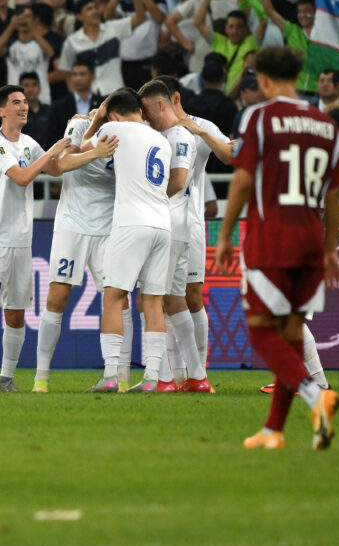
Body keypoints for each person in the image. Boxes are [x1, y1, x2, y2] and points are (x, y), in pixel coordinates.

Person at [216, 45, 339, 451]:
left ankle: (316, 396)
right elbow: (334, 193)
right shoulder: (326, 124)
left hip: (271, 238)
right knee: (291, 334)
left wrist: (225, 234)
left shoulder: (260, 117)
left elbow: (242, 180)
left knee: (261, 334)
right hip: (311, 239)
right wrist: (330, 249)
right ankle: (273, 429)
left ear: (265, 80)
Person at [0, 85, 70, 392]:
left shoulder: (28, 143)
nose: (23, 106)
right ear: (1, 111)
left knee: (16, 313)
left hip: (22, 241)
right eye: (16, 102)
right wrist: (52, 151)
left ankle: (6, 378)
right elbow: (23, 177)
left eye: (24, 102)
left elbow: (56, 168)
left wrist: (90, 147)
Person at [78, 88, 171, 393]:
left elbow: (82, 147)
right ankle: (153, 378)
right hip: (163, 224)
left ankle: (110, 375)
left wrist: (97, 119)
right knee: (153, 300)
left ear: (114, 115)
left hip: (131, 222)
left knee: (113, 296)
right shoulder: (161, 139)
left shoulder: (115, 129)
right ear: (141, 112)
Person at [34, 113, 120, 392]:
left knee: (118, 300)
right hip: (72, 225)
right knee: (57, 297)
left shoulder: (128, 133)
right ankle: (41, 377)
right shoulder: (79, 124)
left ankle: (119, 377)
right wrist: (96, 152)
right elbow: (61, 164)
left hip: (108, 227)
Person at [157, 75, 233, 383]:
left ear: (174, 98)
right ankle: (175, 376)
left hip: (191, 222)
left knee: (192, 296)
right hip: (156, 221)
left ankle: (199, 372)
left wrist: (200, 132)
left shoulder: (201, 125)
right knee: (160, 298)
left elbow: (230, 155)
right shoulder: (149, 127)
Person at [138, 79, 210, 393]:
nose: (144, 117)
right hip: (173, 226)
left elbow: (179, 180)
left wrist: (148, 201)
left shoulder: (179, 135)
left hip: (171, 223)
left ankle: (163, 378)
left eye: (146, 110)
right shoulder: (163, 135)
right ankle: (196, 376)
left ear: (161, 104)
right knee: (172, 300)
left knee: (151, 299)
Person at [58, 0, 147, 96]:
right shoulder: (72, 41)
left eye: (96, 8)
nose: (94, 11)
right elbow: (67, 71)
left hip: (116, 92)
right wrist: (76, 97)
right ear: (79, 16)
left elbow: (140, 18)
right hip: (90, 96)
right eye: (89, 9)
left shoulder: (113, 28)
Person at [195, 8, 264, 97]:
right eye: (231, 26)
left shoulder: (252, 42)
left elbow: (263, 22)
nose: (235, 31)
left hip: (241, 97)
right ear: (226, 28)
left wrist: (254, 2)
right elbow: (198, 23)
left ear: (245, 29)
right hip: (217, 97)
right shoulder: (218, 41)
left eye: (239, 27)